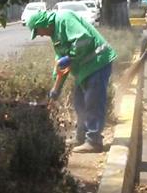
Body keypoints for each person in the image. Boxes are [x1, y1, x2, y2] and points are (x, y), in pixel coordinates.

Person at [26, 8, 117, 154]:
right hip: (85, 69)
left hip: (98, 62)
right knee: (79, 103)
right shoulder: (54, 34)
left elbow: (83, 39)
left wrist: (70, 57)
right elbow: (60, 64)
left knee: (93, 102)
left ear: (43, 23)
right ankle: (81, 137)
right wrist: (55, 90)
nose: (40, 35)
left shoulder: (64, 18)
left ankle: (94, 141)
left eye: (38, 31)